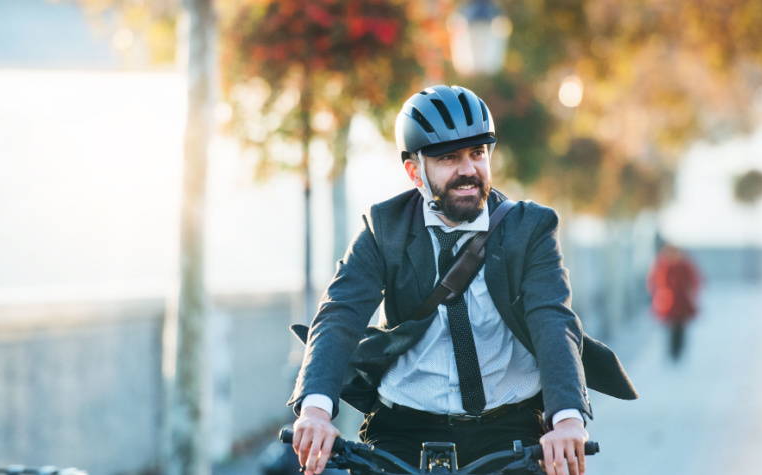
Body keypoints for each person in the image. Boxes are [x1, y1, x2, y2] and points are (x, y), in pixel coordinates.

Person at [287, 85, 636, 475]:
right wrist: (315, 411)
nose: (468, 170)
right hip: (403, 430)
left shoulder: (530, 228)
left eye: (477, 153)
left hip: (508, 430)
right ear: (414, 170)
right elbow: (340, 315)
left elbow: (552, 320)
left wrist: (567, 420)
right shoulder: (384, 228)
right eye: (449, 158)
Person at [646, 244, 702, 361]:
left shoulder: (685, 266)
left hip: (682, 303)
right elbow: (653, 282)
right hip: (667, 303)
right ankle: (672, 352)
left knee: (681, 328)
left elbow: (694, 281)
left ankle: (679, 351)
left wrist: (691, 294)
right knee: (671, 329)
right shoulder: (662, 266)